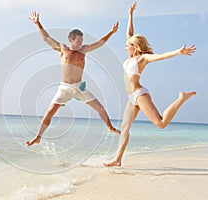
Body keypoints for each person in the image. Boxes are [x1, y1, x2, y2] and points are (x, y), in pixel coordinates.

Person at [104, 2, 196, 167]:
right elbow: (130, 33)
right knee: (125, 128)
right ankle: (117, 159)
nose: (125, 48)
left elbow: (160, 56)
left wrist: (178, 52)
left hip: (139, 95)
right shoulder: (132, 56)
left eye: (128, 46)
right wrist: (131, 14)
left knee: (161, 123)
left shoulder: (142, 59)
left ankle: (181, 98)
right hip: (131, 97)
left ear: (135, 48)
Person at [26, 11, 120, 146]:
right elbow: (47, 38)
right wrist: (37, 23)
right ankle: (38, 137)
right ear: (71, 40)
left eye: (82, 40)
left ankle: (110, 127)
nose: (81, 43)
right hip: (64, 87)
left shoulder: (84, 50)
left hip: (79, 87)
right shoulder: (63, 49)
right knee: (49, 112)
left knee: (100, 108)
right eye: (78, 41)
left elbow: (100, 43)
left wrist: (111, 32)